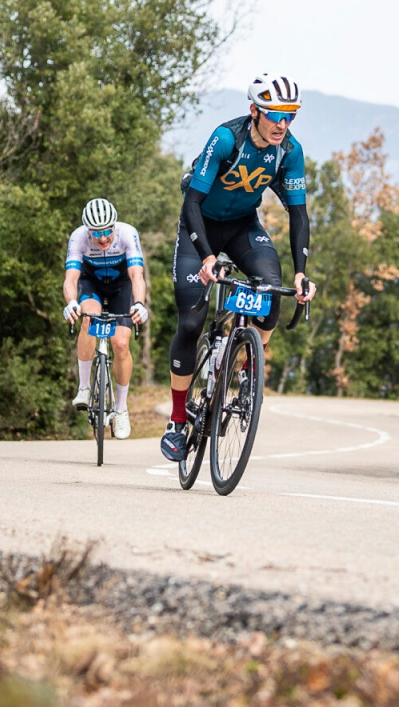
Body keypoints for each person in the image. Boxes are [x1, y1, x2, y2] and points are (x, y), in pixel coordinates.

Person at [160, 72, 317, 462]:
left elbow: (298, 214)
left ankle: (247, 366)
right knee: (192, 322)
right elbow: (192, 203)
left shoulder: (290, 150)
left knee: (271, 290)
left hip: (244, 228)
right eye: (275, 115)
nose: (283, 125)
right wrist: (208, 256)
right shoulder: (227, 138)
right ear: (254, 111)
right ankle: (177, 421)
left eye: (290, 116)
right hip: (201, 229)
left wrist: (301, 272)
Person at [62, 198, 149, 440]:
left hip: (122, 286)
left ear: (114, 225)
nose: (102, 238)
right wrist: (71, 303)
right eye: (96, 233)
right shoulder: (78, 237)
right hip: (92, 285)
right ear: (87, 230)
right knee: (89, 319)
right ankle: (84, 388)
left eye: (107, 231)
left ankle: (121, 409)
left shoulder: (127, 234)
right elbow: (71, 279)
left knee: (121, 343)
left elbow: (136, 276)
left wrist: (140, 304)